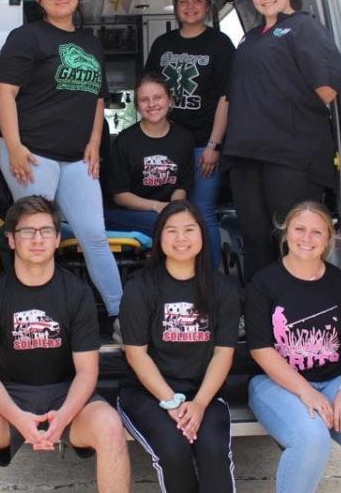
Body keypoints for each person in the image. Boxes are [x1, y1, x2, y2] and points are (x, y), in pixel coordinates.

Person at [0, 196, 131, 493]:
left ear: (57, 238)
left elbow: (87, 372)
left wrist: (63, 417)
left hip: (65, 393)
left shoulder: (77, 293)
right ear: (11, 239)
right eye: (27, 231)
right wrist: (19, 419)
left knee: (110, 426)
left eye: (46, 231)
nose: (38, 239)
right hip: (7, 394)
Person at [0, 0, 123, 337]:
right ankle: (31, 317)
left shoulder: (91, 43)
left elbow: (98, 101)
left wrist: (95, 145)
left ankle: (121, 315)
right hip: (33, 153)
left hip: (78, 159)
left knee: (93, 235)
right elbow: (5, 93)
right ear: (40, 1)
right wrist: (15, 147)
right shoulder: (27, 37)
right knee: (38, 236)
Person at [245, 201, 341, 492]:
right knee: (311, 437)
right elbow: (261, 350)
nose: (306, 238)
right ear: (285, 234)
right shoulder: (263, 283)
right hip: (276, 383)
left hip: (335, 380)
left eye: (317, 232)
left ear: (328, 239)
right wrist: (305, 392)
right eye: (299, 229)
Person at [222, 0, 341, 281]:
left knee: (295, 241)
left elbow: (329, 87)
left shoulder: (303, 27)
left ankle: (300, 316)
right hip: (247, 157)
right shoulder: (249, 39)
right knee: (255, 242)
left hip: (291, 156)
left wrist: (285, 112)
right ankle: (263, 315)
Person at [117, 200, 241, 492]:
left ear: (202, 234)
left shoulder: (222, 289)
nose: (181, 238)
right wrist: (172, 402)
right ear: (159, 238)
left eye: (189, 229)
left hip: (204, 393)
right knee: (173, 449)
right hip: (148, 393)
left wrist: (198, 404)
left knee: (213, 451)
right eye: (171, 231)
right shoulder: (141, 287)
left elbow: (223, 353)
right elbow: (136, 355)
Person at [145, 0, 234, 268]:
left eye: (197, 0)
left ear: (207, 6)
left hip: (202, 146)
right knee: (171, 213)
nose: (190, 7)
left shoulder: (220, 44)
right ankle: (174, 276)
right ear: (175, 6)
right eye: (183, 1)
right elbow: (149, 92)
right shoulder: (162, 44)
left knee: (203, 211)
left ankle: (212, 279)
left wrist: (214, 144)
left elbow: (226, 98)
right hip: (167, 145)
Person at [104, 73, 195, 236]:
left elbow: (182, 186)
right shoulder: (125, 141)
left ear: (170, 100)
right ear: (137, 106)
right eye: (144, 100)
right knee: (163, 225)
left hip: (166, 212)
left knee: (191, 224)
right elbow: (120, 196)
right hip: (127, 213)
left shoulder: (184, 139)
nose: (152, 104)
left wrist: (173, 209)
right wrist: (157, 206)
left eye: (158, 97)